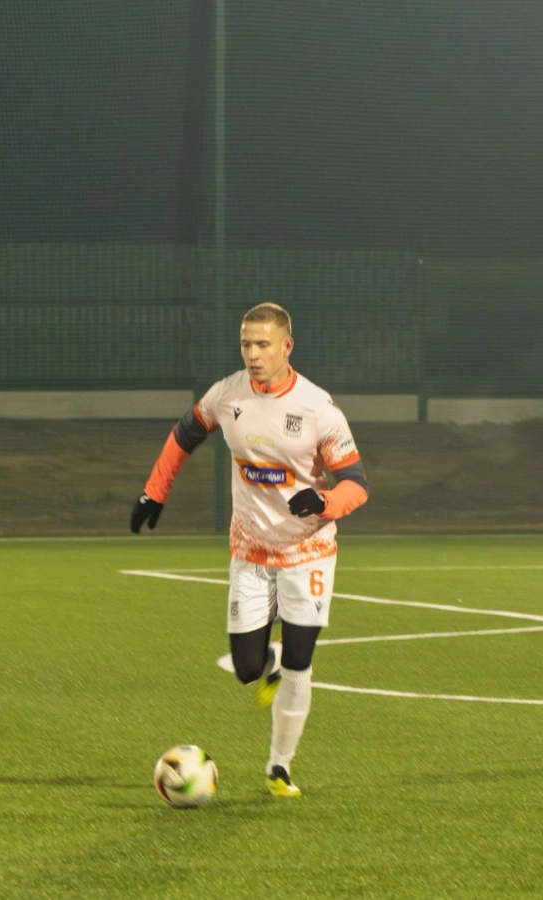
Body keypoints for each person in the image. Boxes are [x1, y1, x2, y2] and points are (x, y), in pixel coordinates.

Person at [130, 302, 369, 798]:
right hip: (251, 551)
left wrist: (324, 501)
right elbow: (184, 435)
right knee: (246, 670)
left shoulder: (318, 408)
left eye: (263, 344)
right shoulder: (227, 394)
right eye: (246, 344)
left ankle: (279, 767)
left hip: (307, 551)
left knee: (300, 659)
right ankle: (268, 662)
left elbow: (356, 484)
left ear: (287, 346)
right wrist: (155, 492)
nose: (253, 355)